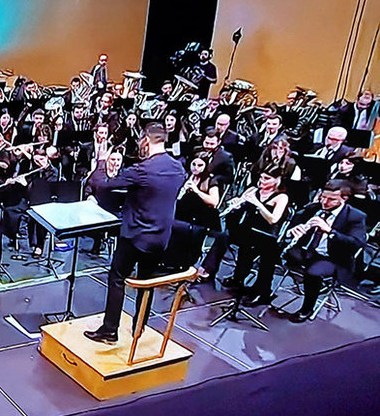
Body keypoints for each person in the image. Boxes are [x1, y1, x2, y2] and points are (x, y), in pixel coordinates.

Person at [82, 123, 187, 344]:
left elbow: (105, 186)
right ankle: (139, 327)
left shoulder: (142, 170)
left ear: (146, 141)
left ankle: (110, 330)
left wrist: (100, 164)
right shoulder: (178, 167)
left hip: (135, 235)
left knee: (117, 278)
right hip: (160, 237)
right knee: (147, 283)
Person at [277, 180, 367, 322]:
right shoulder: (314, 208)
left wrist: (330, 231)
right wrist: (292, 232)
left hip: (332, 258)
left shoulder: (355, 216)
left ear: (344, 198)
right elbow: (292, 225)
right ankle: (262, 292)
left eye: (331, 199)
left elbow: (356, 244)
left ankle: (306, 309)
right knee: (269, 248)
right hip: (307, 250)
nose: (325, 202)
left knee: (313, 273)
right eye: (323, 197)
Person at [197, 168, 289, 305]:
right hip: (247, 230)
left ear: (277, 180)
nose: (262, 181)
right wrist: (235, 205)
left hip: (266, 235)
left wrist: (257, 204)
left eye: (267, 179)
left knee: (262, 251)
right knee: (223, 236)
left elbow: (273, 220)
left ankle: (260, 290)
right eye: (261, 177)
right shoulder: (252, 190)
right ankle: (209, 270)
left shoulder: (281, 197)